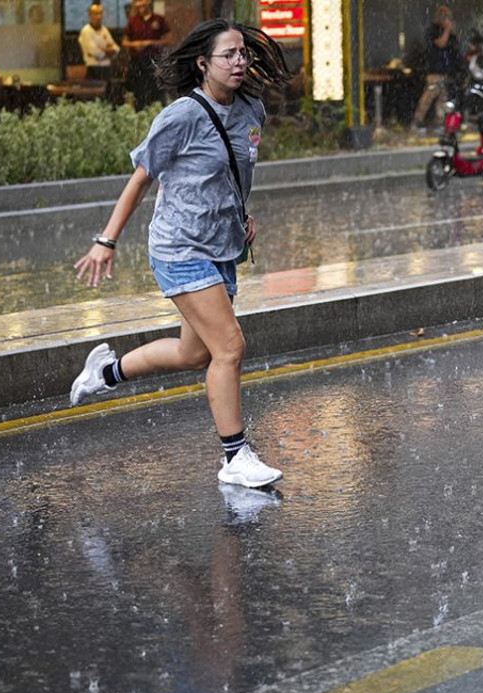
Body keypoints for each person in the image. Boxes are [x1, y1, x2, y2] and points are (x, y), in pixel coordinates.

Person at [71, 19, 293, 489]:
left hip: (222, 247)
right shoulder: (181, 116)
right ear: (202, 63)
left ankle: (104, 374)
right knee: (230, 348)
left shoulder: (253, 110)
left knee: (195, 354)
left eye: (242, 54)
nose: (239, 62)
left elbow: (233, 172)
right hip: (180, 247)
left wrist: (241, 213)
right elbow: (140, 178)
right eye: (227, 55)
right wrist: (106, 240)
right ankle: (235, 457)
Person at [412, 4, 462, 132]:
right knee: (429, 96)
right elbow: (440, 43)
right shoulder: (433, 31)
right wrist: (446, 30)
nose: (447, 20)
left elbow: (454, 47)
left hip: (446, 71)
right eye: (445, 17)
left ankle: (439, 122)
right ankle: (417, 121)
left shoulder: (450, 34)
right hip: (434, 71)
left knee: (442, 99)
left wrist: (452, 31)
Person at [123, 0, 171, 108]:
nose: (139, 5)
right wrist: (135, 44)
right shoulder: (133, 21)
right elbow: (125, 42)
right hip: (137, 62)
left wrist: (150, 43)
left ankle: (159, 114)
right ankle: (140, 114)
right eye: (137, 3)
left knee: (157, 90)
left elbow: (168, 40)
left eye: (141, 2)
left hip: (154, 60)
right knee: (138, 91)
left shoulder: (159, 19)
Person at [79, 3, 120, 82]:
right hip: (93, 69)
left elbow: (116, 49)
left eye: (100, 13)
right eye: (96, 14)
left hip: (106, 69)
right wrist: (107, 50)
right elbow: (96, 53)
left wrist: (103, 49)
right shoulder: (86, 31)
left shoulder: (104, 30)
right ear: (89, 15)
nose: (99, 17)